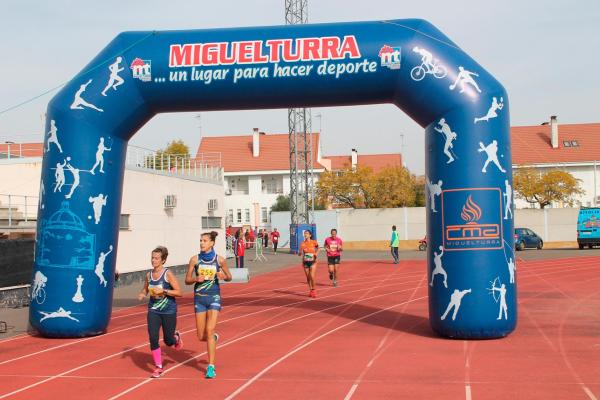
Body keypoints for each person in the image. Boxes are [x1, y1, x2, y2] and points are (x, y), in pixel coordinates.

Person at [185, 231, 232, 379]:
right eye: (200, 241)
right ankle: (213, 338)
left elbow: (229, 277)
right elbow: (187, 280)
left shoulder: (220, 260)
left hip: (214, 297)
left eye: (204, 241)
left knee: (210, 330)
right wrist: (195, 279)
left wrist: (223, 276)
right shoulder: (194, 260)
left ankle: (211, 366)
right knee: (201, 336)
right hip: (199, 299)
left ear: (212, 243)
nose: (201, 243)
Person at [137, 246, 183, 379]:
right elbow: (145, 289)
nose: (153, 260)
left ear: (163, 260)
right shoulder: (148, 275)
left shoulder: (167, 274)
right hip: (154, 310)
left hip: (169, 311)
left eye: (156, 258)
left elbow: (179, 292)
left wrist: (163, 291)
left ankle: (175, 338)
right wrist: (142, 293)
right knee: (153, 337)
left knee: (168, 341)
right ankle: (158, 367)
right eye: (152, 257)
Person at [298, 230, 319, 298]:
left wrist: (316, 253)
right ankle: (310, 290)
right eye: (304, 233)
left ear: (310, 235)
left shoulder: (314, 242)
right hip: (305, 261)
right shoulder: (302, 243)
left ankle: (313, 290)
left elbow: (318, 249)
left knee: (312, 276)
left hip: (313, 261)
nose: (305, 234)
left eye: (307, 233)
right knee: (308, 277)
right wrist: (300, 253)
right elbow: (300, 253)